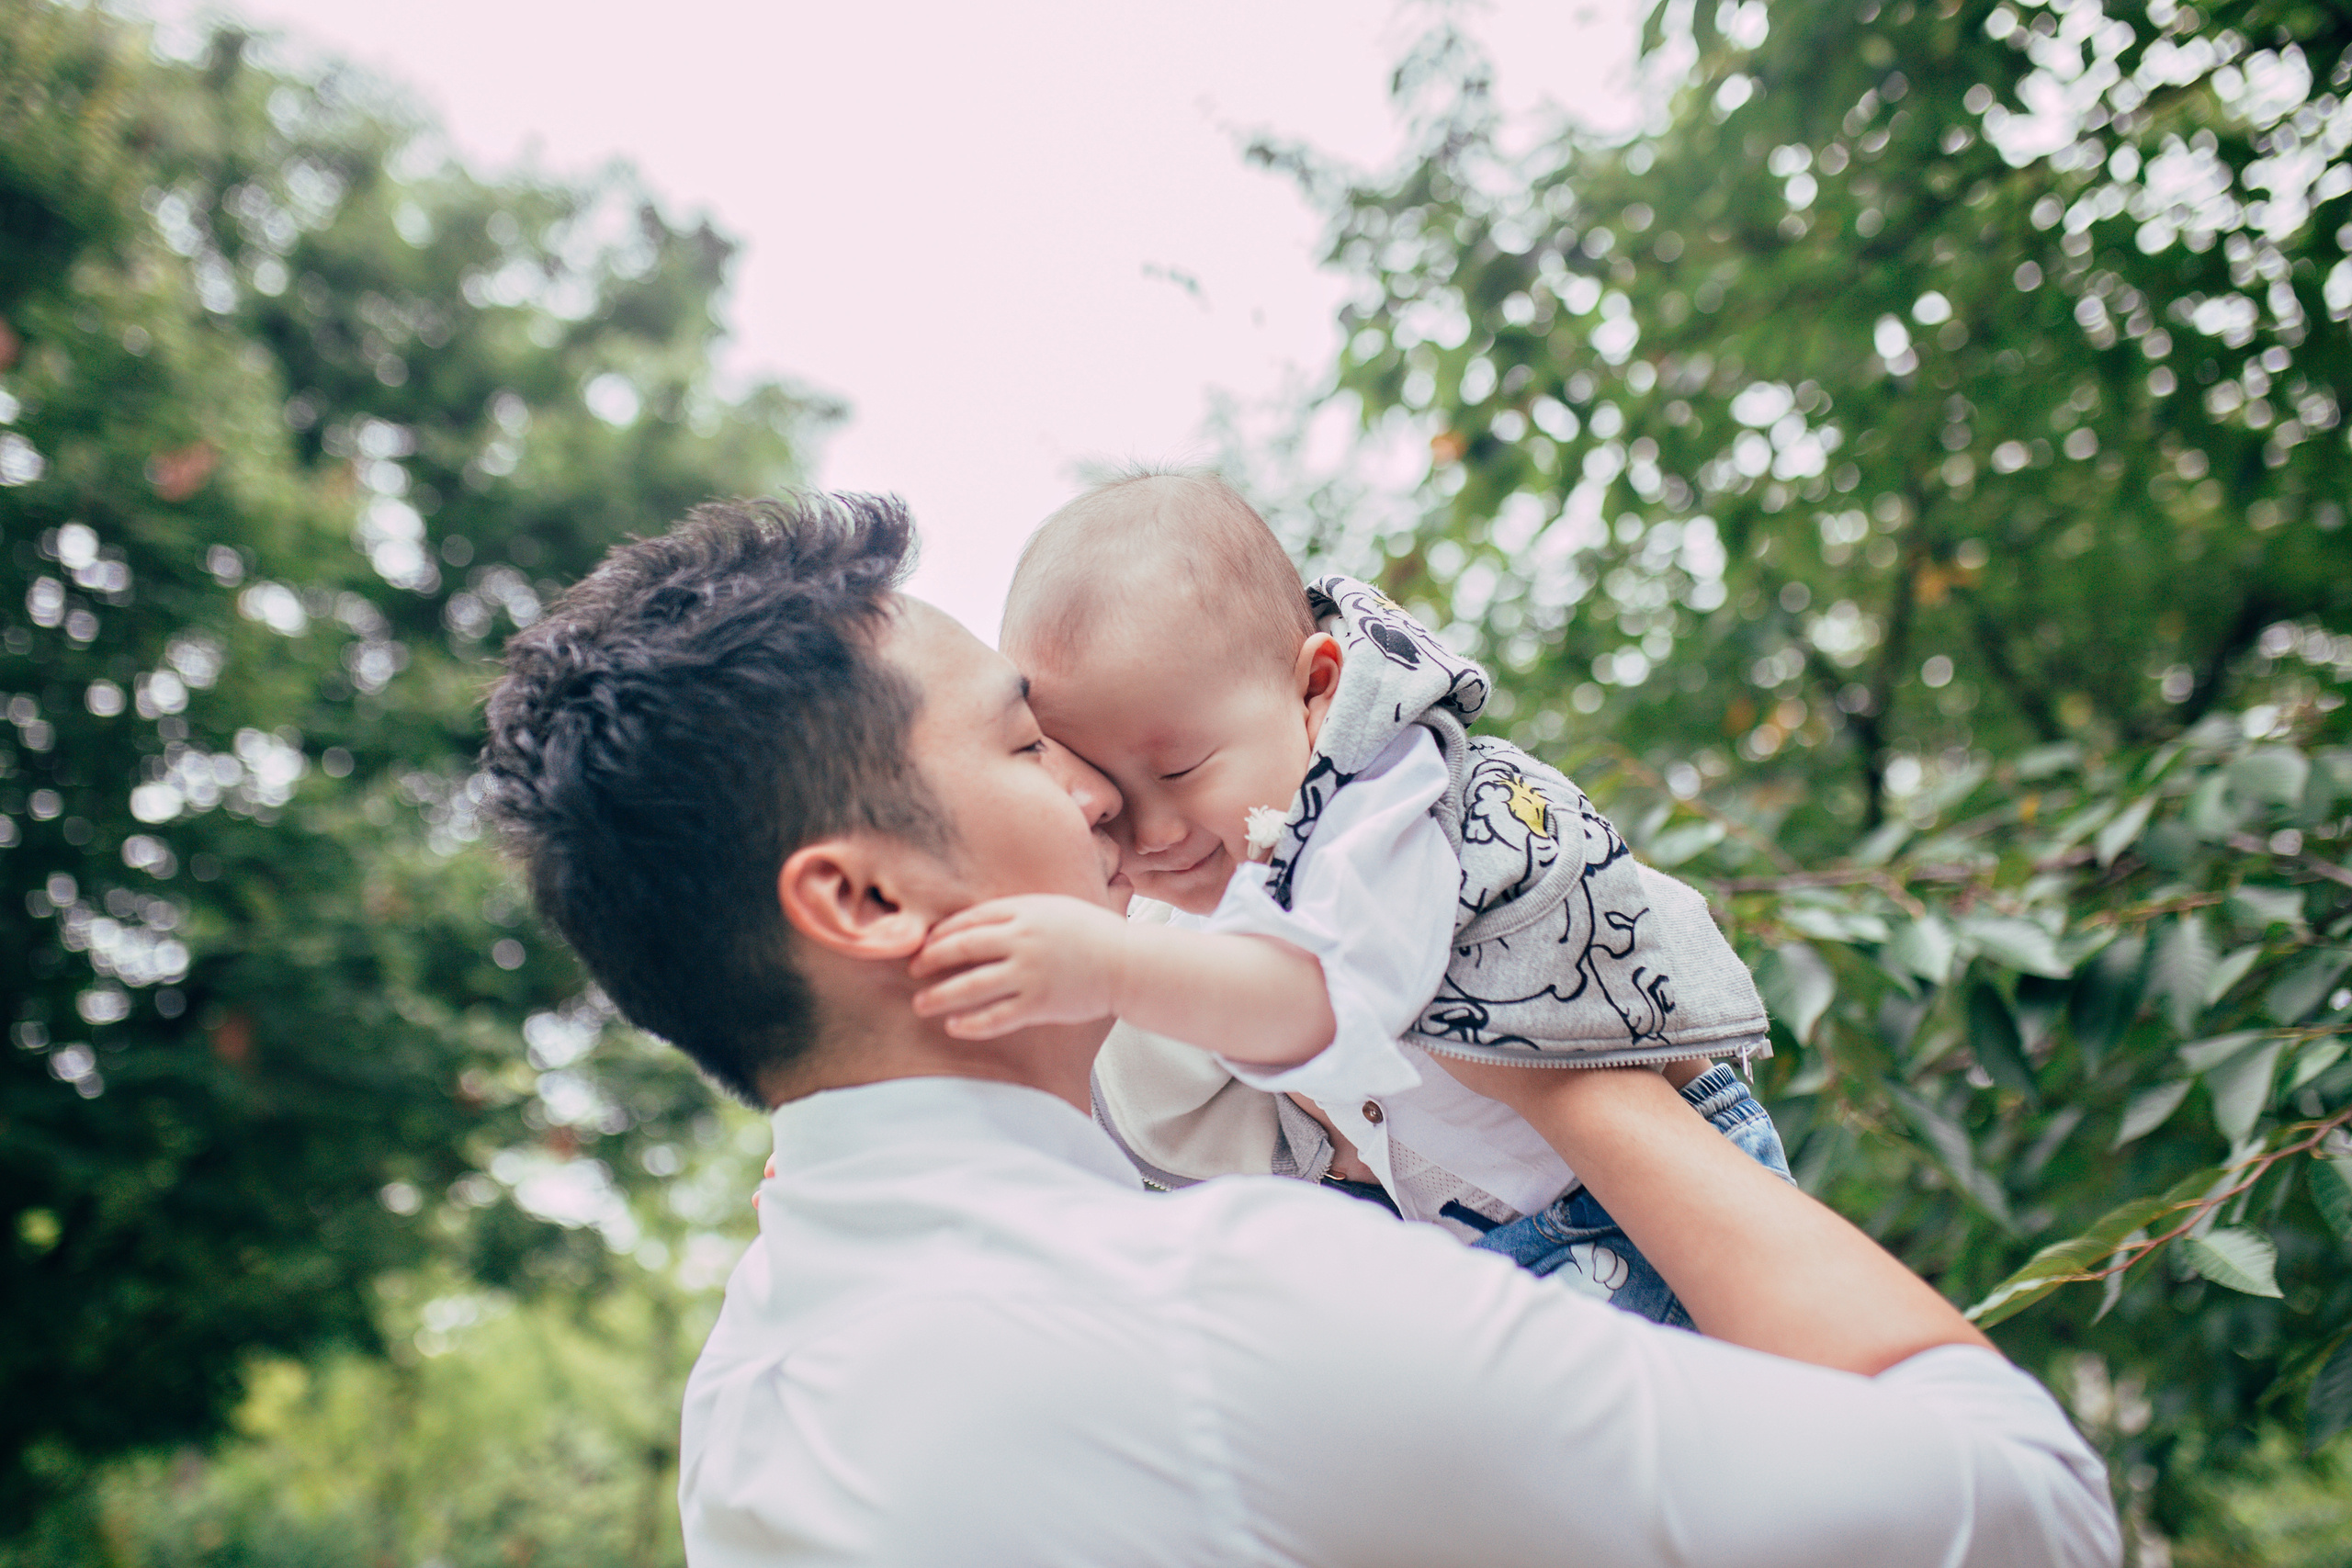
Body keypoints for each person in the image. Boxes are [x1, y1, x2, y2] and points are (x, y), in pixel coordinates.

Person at [481, 491, 2119, 1568]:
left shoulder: (756, 1396)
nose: (1105, 802)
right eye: (1029, 749)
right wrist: (1562, 1064)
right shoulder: (1229, 1310)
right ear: (866, 900)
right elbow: (2030, 1510)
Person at [910, 467, 1783, 1325]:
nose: (1153, 829)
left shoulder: (1382, 805)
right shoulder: (1216, 869)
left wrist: (1109, 964)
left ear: (1315, 692)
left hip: (1613, 1206)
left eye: (1178, 769)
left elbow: (1320, 1001)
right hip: (1511, 1221)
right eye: (1106, 788)